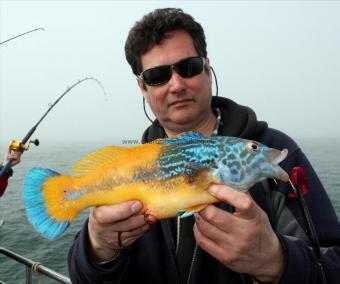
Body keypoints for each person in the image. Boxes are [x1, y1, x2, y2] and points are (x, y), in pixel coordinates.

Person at [68, 8, 340, 283]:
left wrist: (276, 260)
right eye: (157, 75)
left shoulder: (279, 148)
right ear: (142, 87)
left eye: (188, 67)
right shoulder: (125, 166)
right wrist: (98, 248)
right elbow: (82, 278)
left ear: (207, 69)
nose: (176, 85)